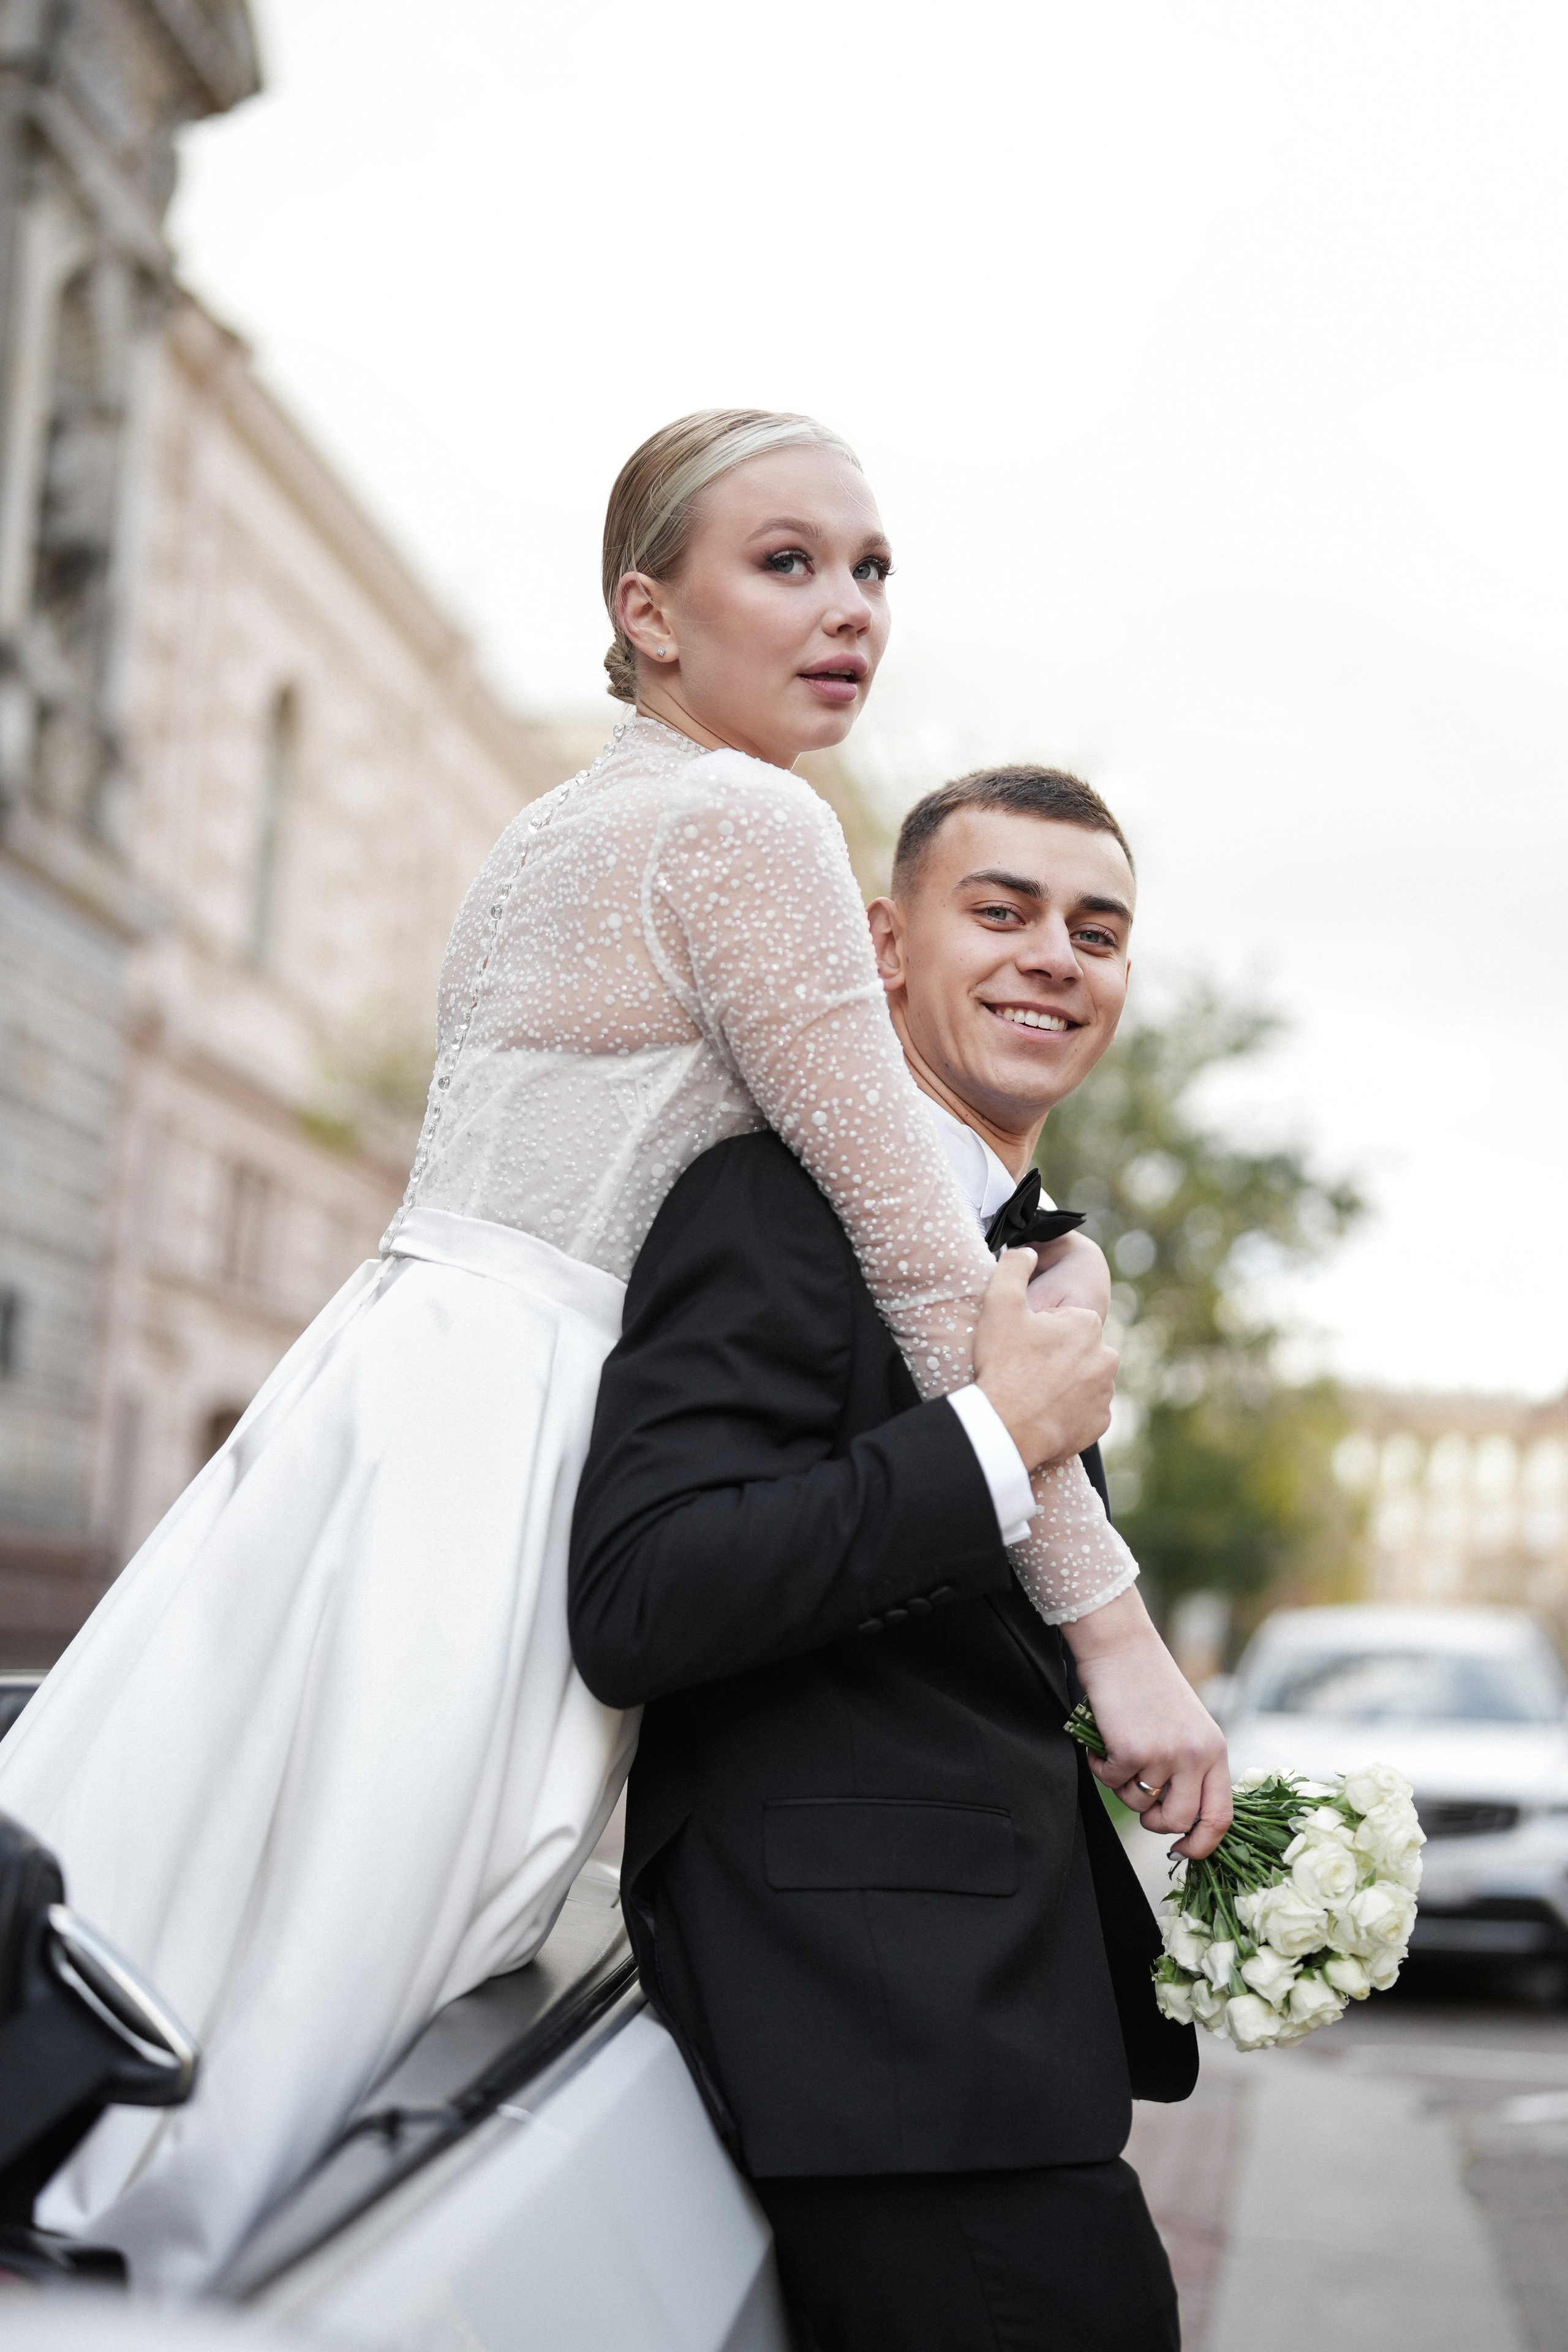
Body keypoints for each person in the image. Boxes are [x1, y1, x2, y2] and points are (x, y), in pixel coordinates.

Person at [0, 407, 1213, 2294]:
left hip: (406, 1380)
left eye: (872, 569)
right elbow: (913, 1231)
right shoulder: (745, 827)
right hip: (510, 1423)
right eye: (787, 562)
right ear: (646, 610)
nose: (849, 611)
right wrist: (1117, 1630)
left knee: (238, 1869)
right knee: (346, 1937)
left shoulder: (571, 823)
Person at [568, 765, 1229, 2351]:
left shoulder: (1037, 1253)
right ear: (884, 946)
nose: (1054, 955)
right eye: (998, 912)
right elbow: (643, 1596)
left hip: (1000, 2045)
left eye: (1098, 929)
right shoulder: (773, 1201)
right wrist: (996, 1436)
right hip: (874, 2045)